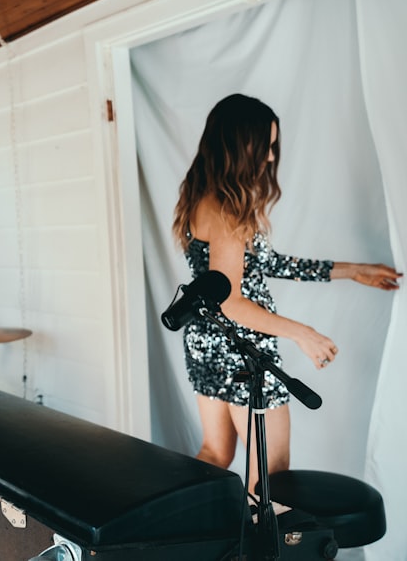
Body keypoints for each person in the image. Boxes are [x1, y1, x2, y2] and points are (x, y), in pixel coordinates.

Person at [170, 93, 401, 492]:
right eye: (266, 146)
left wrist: (351, 271)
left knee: (214, 455)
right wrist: (302, 333)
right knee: (271, 475)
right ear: (239, 144)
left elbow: (267, 264)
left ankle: (172, 535)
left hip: (206, 343)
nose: (271, 158)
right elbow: (230, 300)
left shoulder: (201, 197)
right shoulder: (226, 208)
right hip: (239, 348)